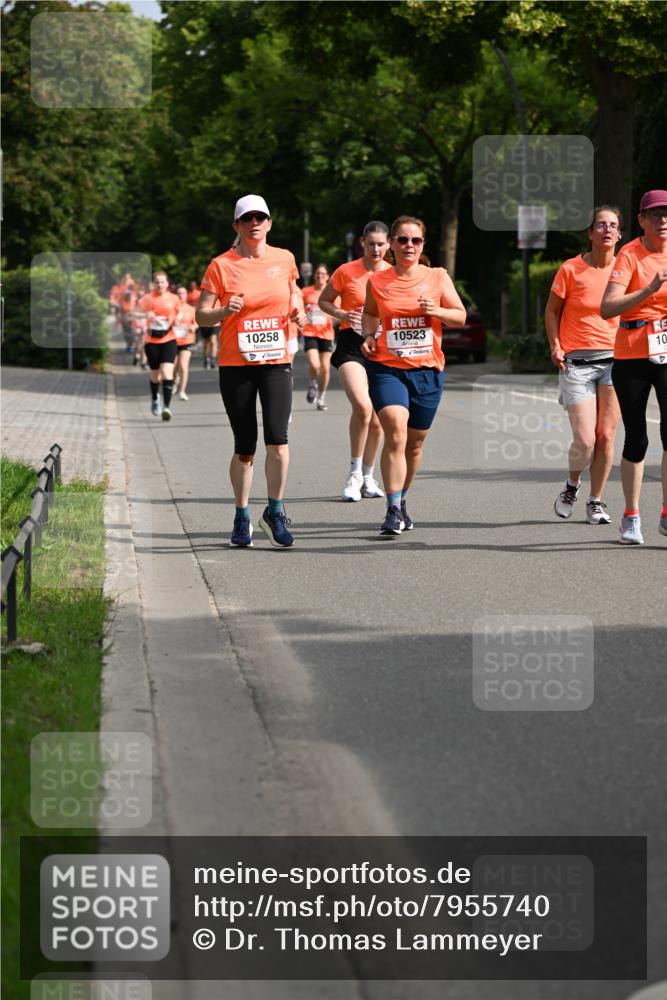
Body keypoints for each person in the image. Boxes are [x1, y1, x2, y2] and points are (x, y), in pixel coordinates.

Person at [196, 194, 306, 548]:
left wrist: (299, 311)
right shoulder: (221, 265)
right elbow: (201, 315)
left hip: (276, 361)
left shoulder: (285, 258)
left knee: (278, 439)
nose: (254, 223)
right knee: (246, 446)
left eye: (261, 217)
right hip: (236, 364)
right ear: (237, 226)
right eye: (247, 219)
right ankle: (242, 515)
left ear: (269, 223)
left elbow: (294, 292)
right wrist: (225, 310)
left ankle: (274, 511)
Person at [361, 215, 466, 536]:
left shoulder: (437, 277)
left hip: (427, 370)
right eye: (403, 240)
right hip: (387, 368)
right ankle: (392, 509)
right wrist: (367, 336)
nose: (409, 246)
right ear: (392, 244)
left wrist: (437, 311)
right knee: (395, 429)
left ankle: (402, 499)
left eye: (415, 240)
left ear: (423, 245)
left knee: (415, 445)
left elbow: (459, 316)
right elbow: (369, 313)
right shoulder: (377, 281)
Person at [545, 206, 622, 524]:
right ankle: (572, 485)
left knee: (606, 435)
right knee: (586, 438)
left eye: (613, 225)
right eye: (600, 225)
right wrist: (555, 345)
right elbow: (552, 311)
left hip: (616, 361)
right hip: (576, 363)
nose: (607, 230)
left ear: (620, 234)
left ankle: (596, 500)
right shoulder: (571, 269)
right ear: (590, 233)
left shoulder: (626, 271)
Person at [600, 189, 667, 544]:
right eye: (655, 214)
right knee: (637, 438)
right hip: (632, 355)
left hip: (666, 353)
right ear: (641, 220)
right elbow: (608, 307)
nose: (663, 220)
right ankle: (631, 515)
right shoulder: (629, 255)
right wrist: (649, 289)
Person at [319, 222, 390, 501]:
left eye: (381, 244)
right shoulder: (347, 271)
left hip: (384, 347)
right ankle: (354, 473)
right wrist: (342, 314)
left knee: (378, 420)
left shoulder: (394, 274)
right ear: (362, 242)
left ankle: (370, 477)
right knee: (362, 406)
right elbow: (324, 301)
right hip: (351, 345)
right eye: (371, 243)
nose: (376, 249)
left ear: (388, 245)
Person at [139, 271, 179, 420]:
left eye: (163, 282)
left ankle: (167, 407)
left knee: (167, 372)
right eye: (157, 282)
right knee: (155, 375)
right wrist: (145, 316)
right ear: (153, 284)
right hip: (151, 341)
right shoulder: (147, 298)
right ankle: (155, 398)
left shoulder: (174, 298)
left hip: (169, 338)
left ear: (167, 284)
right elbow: (135, 314)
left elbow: (179, 312)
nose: (160, 284)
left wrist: (177, 318)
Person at [302, 264, 335, 410]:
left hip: (326, 334)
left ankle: (321, 397)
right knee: (315, 365)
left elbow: (339, 313)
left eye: (323, 274)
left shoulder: (333, 293)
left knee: (325, 368)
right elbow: (298, 309)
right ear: (314, 275)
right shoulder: (306, 291)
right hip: (310, 332)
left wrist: (332, 315)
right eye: (317, 273)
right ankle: (312, 383)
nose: (320, 276)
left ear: (328, 276)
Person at [173, 285, 197, 401]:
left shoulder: (191, 309)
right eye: (178, 293)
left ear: (186, 295)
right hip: (172, 340)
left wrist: (193, 326)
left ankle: (182, 391)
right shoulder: (171, 308)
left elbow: (197, 323)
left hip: (187, 340)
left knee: (183, 365)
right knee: (173, 366)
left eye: (183, 293)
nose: (181, 295)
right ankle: (174, 380)